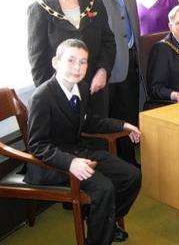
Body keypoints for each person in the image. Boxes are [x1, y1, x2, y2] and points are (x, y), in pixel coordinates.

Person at [24, 39, 141, 245]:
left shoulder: (82, 88)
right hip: (52, 162)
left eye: (83, 62)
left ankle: (104, 220)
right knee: (103, 188)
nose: (77, 67)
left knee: (131, 175)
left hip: (78, 151)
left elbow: (89, 122)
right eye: (71, 60)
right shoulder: (42, 97)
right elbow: (37, 145)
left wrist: (122, 125)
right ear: (55, 62)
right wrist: (70, 163)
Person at [80, 0, 141, 165]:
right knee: (105, 120)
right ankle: (109, 168)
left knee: (127, 115)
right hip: (102, 66)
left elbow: (131, 17)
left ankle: (129, 163)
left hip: (129, 59)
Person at [27, 0, 115, 117]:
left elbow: (108, 42)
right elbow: (37, 63)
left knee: (99, 139)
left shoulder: (95, 4)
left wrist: (103, 71)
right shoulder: (39, 10)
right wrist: (55, 96)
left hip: (95, 90)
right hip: (61, 99)